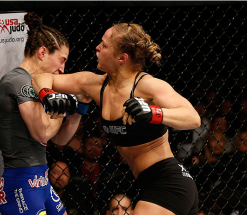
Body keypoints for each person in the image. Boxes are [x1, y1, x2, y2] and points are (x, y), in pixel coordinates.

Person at [32, 22, 201, 215]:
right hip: (148, 183)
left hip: (169, 182)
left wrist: (153, 113)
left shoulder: (147, 86)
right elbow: (41, 78)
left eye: (104, 45)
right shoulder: (96, 85)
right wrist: (47, 94)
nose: (97, 47)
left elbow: (192, 118)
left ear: (122, 57)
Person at [0, 12, 91, 215]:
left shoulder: (39, 87)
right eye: (61, 60)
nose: (63, 69)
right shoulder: (19, 82)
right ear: (42, 53)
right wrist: (65, 105)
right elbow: (42, 133)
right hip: (21, 183)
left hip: (40, 180)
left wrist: (78, 108)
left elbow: (60, 139)